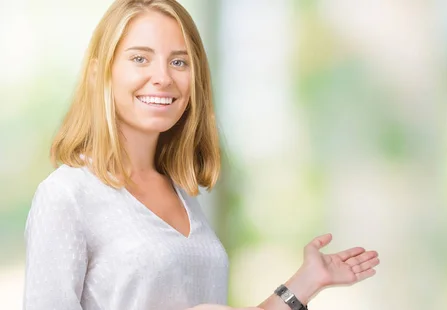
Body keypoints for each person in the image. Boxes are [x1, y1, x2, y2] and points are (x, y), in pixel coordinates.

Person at [23, 0, 380, 309]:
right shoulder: (67, 195)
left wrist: (305, 282)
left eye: (179, 62)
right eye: (140, 59)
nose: (162, 77)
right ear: (101, 73)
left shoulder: (182, 193)